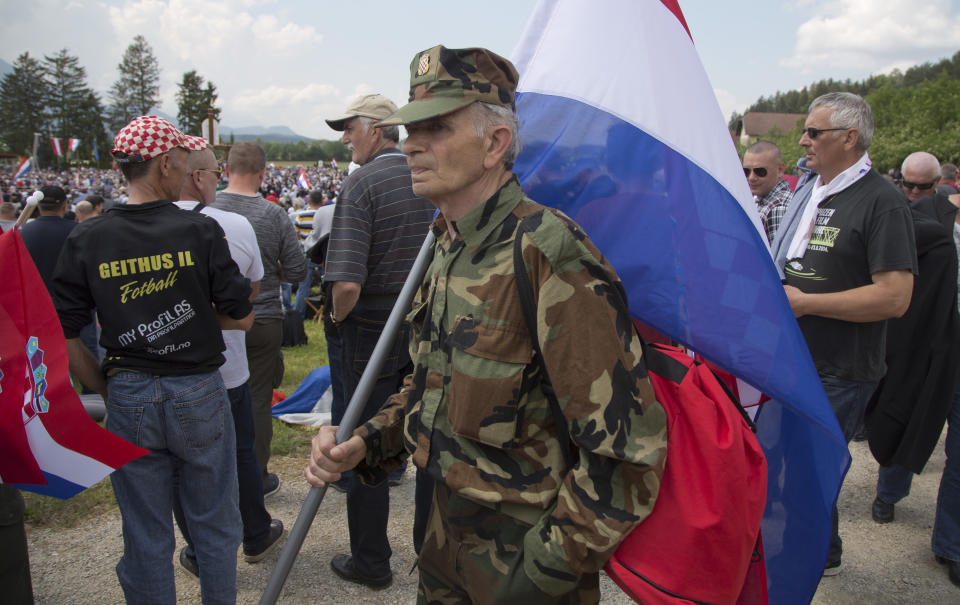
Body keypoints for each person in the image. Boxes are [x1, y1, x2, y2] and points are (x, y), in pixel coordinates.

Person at [306, 46, 668, 602]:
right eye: (408, 130)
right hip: (442, 539)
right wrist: (368, 444)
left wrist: (546, 570)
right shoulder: (447, 243)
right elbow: (432, 383)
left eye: (436, 129)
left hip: (523, 560)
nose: (412, 145)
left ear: (495, 143)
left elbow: (627, 451)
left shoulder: (549, 254)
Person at [53, 115, 254, 604]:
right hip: (198, 390)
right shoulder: (199, 230)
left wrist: (105, 386)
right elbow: (242, 317)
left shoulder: (87, 236)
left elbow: (64, 337)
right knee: (215, 525)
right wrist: (193, 320)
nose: (188, 167)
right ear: (165, 164)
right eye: (184, 159)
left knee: (144, 532)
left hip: (128, 390)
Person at [770, 92, 917, 576]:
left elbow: (895, 297)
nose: (804, 139)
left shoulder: (883, 200)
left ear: (849, 138)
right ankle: (814, 550)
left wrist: (806, 303)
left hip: (840, 368)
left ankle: (808, 560)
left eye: (814, 132)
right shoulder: (810, 187)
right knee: (790, 465)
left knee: (812, 473)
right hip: (792, 357)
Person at [318, 93, 436, 588]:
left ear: (377, 128)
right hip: (428, 318)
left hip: (371, 324)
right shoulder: (431, 173)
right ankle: (434, 558)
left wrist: (336, 320)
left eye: (350, 128)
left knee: (358, 441)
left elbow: (345, 283)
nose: (345, 138)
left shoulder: (363, 182)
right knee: (431, 432)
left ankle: (371, 561)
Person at [172, 146, 284, 576]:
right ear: (199, 177)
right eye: (214, 172)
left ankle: (202, 552)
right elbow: (249, 294)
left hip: (169, 369)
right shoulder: (232, 223)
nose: (217, 179)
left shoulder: (124, 223)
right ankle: (254, 534)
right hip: (226, 363)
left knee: (185, 463)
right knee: (239, 452)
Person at [212, 142, 307, 497]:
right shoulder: (272, 214)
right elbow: (297, 269)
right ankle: (256, 476)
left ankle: (218, 477)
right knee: (257, 400)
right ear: (263, 173)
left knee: (213, 395)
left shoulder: (207, 208)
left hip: (215, 317)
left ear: (225, 170)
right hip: (264, 315)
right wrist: (266, 272)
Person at [897, 173, 960, 588]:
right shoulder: (929, 213)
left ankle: (951, 545)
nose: (914, 189)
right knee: (908, 412)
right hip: (935, 340)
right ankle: (888, 491)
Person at [19, 185, 76, 295]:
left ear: (38, 206)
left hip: (34, 298)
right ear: (64, 205)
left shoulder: (22, 232)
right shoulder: (79, 230)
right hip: (70, 300)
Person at [742, 140, 792, 243]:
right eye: (746, 171)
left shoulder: (778, 207)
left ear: (780, 170)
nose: (751, 178)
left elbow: (775, 257)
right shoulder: (758, 199)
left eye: (760, 171)